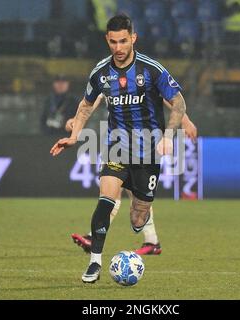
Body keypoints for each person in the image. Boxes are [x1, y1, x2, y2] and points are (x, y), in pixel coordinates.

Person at [50, 14, 187, 283]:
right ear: (107, 40)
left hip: (148, 151)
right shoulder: (101, 73)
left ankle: (146, 233)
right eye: (113, 42)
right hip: (116, 147)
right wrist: (75, 136)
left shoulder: (151, 69)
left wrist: (169, 135)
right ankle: (95, 263)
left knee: (138, 217)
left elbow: (179, 103)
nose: (118, 48)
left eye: (123, 41)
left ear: (133, 38)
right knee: (106, 199)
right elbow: (87, 104)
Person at [67, 95, 198, 256]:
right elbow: (94, 97)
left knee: (133, 198)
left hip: (143, 143)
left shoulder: (141, 73)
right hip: (117, 143)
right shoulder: (107, 73)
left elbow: (167, 96)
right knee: (113, 192)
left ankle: (150, 241)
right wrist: (76, 119)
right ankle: (148, 241)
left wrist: (185, 120)